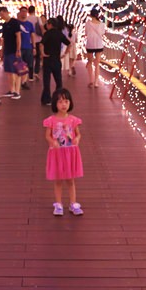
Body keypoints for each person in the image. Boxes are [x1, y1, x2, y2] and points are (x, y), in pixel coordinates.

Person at [43, 88, 83, 216]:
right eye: (60, 102)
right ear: (55, 104)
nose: (64, 104)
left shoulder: (73, 120)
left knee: (70, 180)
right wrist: (52, 142)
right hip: (57, 152)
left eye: (66, 101)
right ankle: (59, 204)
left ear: (70, 103)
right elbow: (47, 135)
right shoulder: (51, 120)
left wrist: (77, 139)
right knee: (58, 179)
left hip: (70, 151)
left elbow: (78, 134)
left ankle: (73, 203)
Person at [39, 18, 70, 105]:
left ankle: (46, 99)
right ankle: (58, 98)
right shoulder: (59, 34)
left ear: (50, 25)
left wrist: (43, 53)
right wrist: (65, 54)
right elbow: (69, 44)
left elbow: (41, 44)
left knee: (46, 81)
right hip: (56, 59)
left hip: (47, 60)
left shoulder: (47, 33)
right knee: (58, 81)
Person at [0, 6, 22, 99]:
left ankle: (17, 91)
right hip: (7, 50)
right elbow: (3, 39)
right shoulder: (4, 25)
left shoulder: (15, 22)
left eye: (1, 14)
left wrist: (18, 49)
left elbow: (18, 36)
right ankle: (11, 90)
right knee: (8, 71)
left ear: (6, 12)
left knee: (17, 71)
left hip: (14, 50)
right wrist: (2, 50)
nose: (1, 16)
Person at [84, 10, 106, 87]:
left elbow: (86, 33)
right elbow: (103, 33)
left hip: (90, 44)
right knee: (97, 64)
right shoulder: (102, 24)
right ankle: (96, 82)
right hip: (99, 45)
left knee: (89, 62)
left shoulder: (88, 24)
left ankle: (91, 81)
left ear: (90, 15)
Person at [17, 8, 34, 90]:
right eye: (22, 11)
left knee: (27, 65)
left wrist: (34, 47)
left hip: (28, 47)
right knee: (19, 65)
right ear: (19, 13)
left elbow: (32, 35)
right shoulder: (16, 23)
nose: (24, 13)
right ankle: (19, 82)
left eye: (25, 12)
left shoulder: (30, 24)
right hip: (18, 48)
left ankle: (24, 82)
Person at [26, 5, 42, 80]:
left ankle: (30, 75)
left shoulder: (26, 19)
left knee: (30, 58)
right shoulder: (37, 18)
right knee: (38, 57)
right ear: (34, 11)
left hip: (28, 41)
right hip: (38, 40)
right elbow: (41, 28)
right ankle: (36, 72)